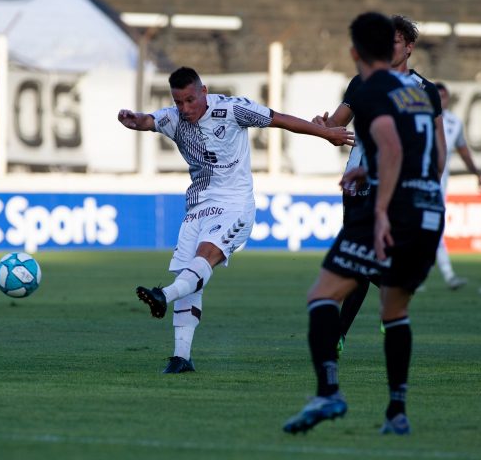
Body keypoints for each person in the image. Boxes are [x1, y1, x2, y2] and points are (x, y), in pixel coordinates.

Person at [118, 67, 354, 374]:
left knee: (203, 258)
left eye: (190, 100)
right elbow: (150, 120)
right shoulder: (173, 119)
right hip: (197, 207)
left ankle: (164, 294)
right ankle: (181, 357)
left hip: (234, 204)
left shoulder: (231, 109)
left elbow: (279, 119)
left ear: (203, 92)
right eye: (179, 102)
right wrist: (135, 120)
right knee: (189, 277)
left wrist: (325, 133)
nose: (186, 109)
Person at [283, 11, 444, 435]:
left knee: (323, 292)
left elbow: (388, 148)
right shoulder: (423, 94)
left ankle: (329, 392)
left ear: (355, 52)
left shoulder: (374, 88)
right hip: (427, 209)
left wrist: (380, 203)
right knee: (394, 307)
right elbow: (436, 154)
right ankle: (397, 412)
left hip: (385, 207)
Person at [312, 14, 446, 353]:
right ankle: (382, 310)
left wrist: (428, 178)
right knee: (360, 255)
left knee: (362, 256)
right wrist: (323, 126)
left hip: (402, 187)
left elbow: (438, 145)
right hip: (358, 182)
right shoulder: (362, 83)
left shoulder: (424, 91)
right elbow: (337, 127)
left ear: (410, 48)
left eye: (396, 41)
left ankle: (347, 331)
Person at [435, 82, 481, 290]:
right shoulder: (415, 117)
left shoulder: (454, 123)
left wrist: (477, 174)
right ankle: (447, 274)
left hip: (438, 187)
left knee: (433, 229)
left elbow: (464, 151)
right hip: (412, 183)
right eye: (436, 97)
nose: (440, 101)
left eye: (443, 97)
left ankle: (443, 275)